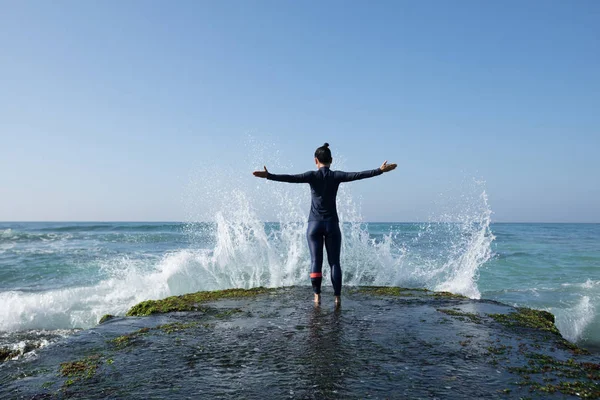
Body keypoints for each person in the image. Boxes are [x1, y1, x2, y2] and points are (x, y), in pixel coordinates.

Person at [253, 143, 397, 306]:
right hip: (332, 225)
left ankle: (317, 297)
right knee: (334, 262)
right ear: (331, 160)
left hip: (314, 225)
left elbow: (290, 178)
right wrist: (379, 170)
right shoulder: (336, 176)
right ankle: (337, 298)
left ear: (316, 160)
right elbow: (358, 175)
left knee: (316, 261)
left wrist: (269, 175)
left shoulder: (311, 176)